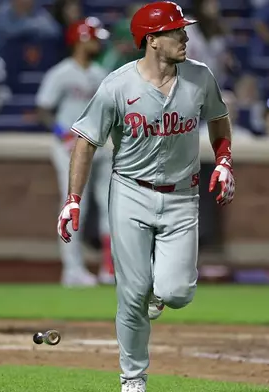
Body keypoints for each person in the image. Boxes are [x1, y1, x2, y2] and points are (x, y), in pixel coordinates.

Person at [55, 2, 235, 390]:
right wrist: (73, 199)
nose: (185, 37)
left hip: (183, 196)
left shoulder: (200, 77)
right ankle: (133, 379)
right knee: (132, 296)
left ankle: (158, 290)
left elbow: (219, 118)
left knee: (178, 292)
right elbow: (85, 142)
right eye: (175, 31)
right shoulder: (117, 85)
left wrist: (224, 160)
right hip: (131, 193)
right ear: (152, 40)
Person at [37, 17, 114, 286]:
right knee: (73, 204)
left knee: (109, 204)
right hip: (69, 147)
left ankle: (109, 267)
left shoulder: (99, 73)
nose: (98, 42)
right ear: (81, 39)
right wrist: (62, 133)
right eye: (93, 37)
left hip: (99, 144)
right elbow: (43, 109)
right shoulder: (61, 73)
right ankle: (72, 269)